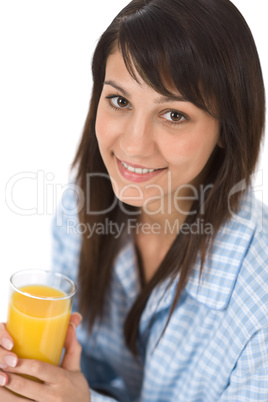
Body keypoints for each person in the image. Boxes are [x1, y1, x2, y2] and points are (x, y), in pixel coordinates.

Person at [0, 0, 267, 400]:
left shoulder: (256, 304)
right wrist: (28, 376)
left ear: (228, 128)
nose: (133, 145)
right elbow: (77, 373)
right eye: (120, 101)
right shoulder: (80, 210)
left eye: (174, 114)